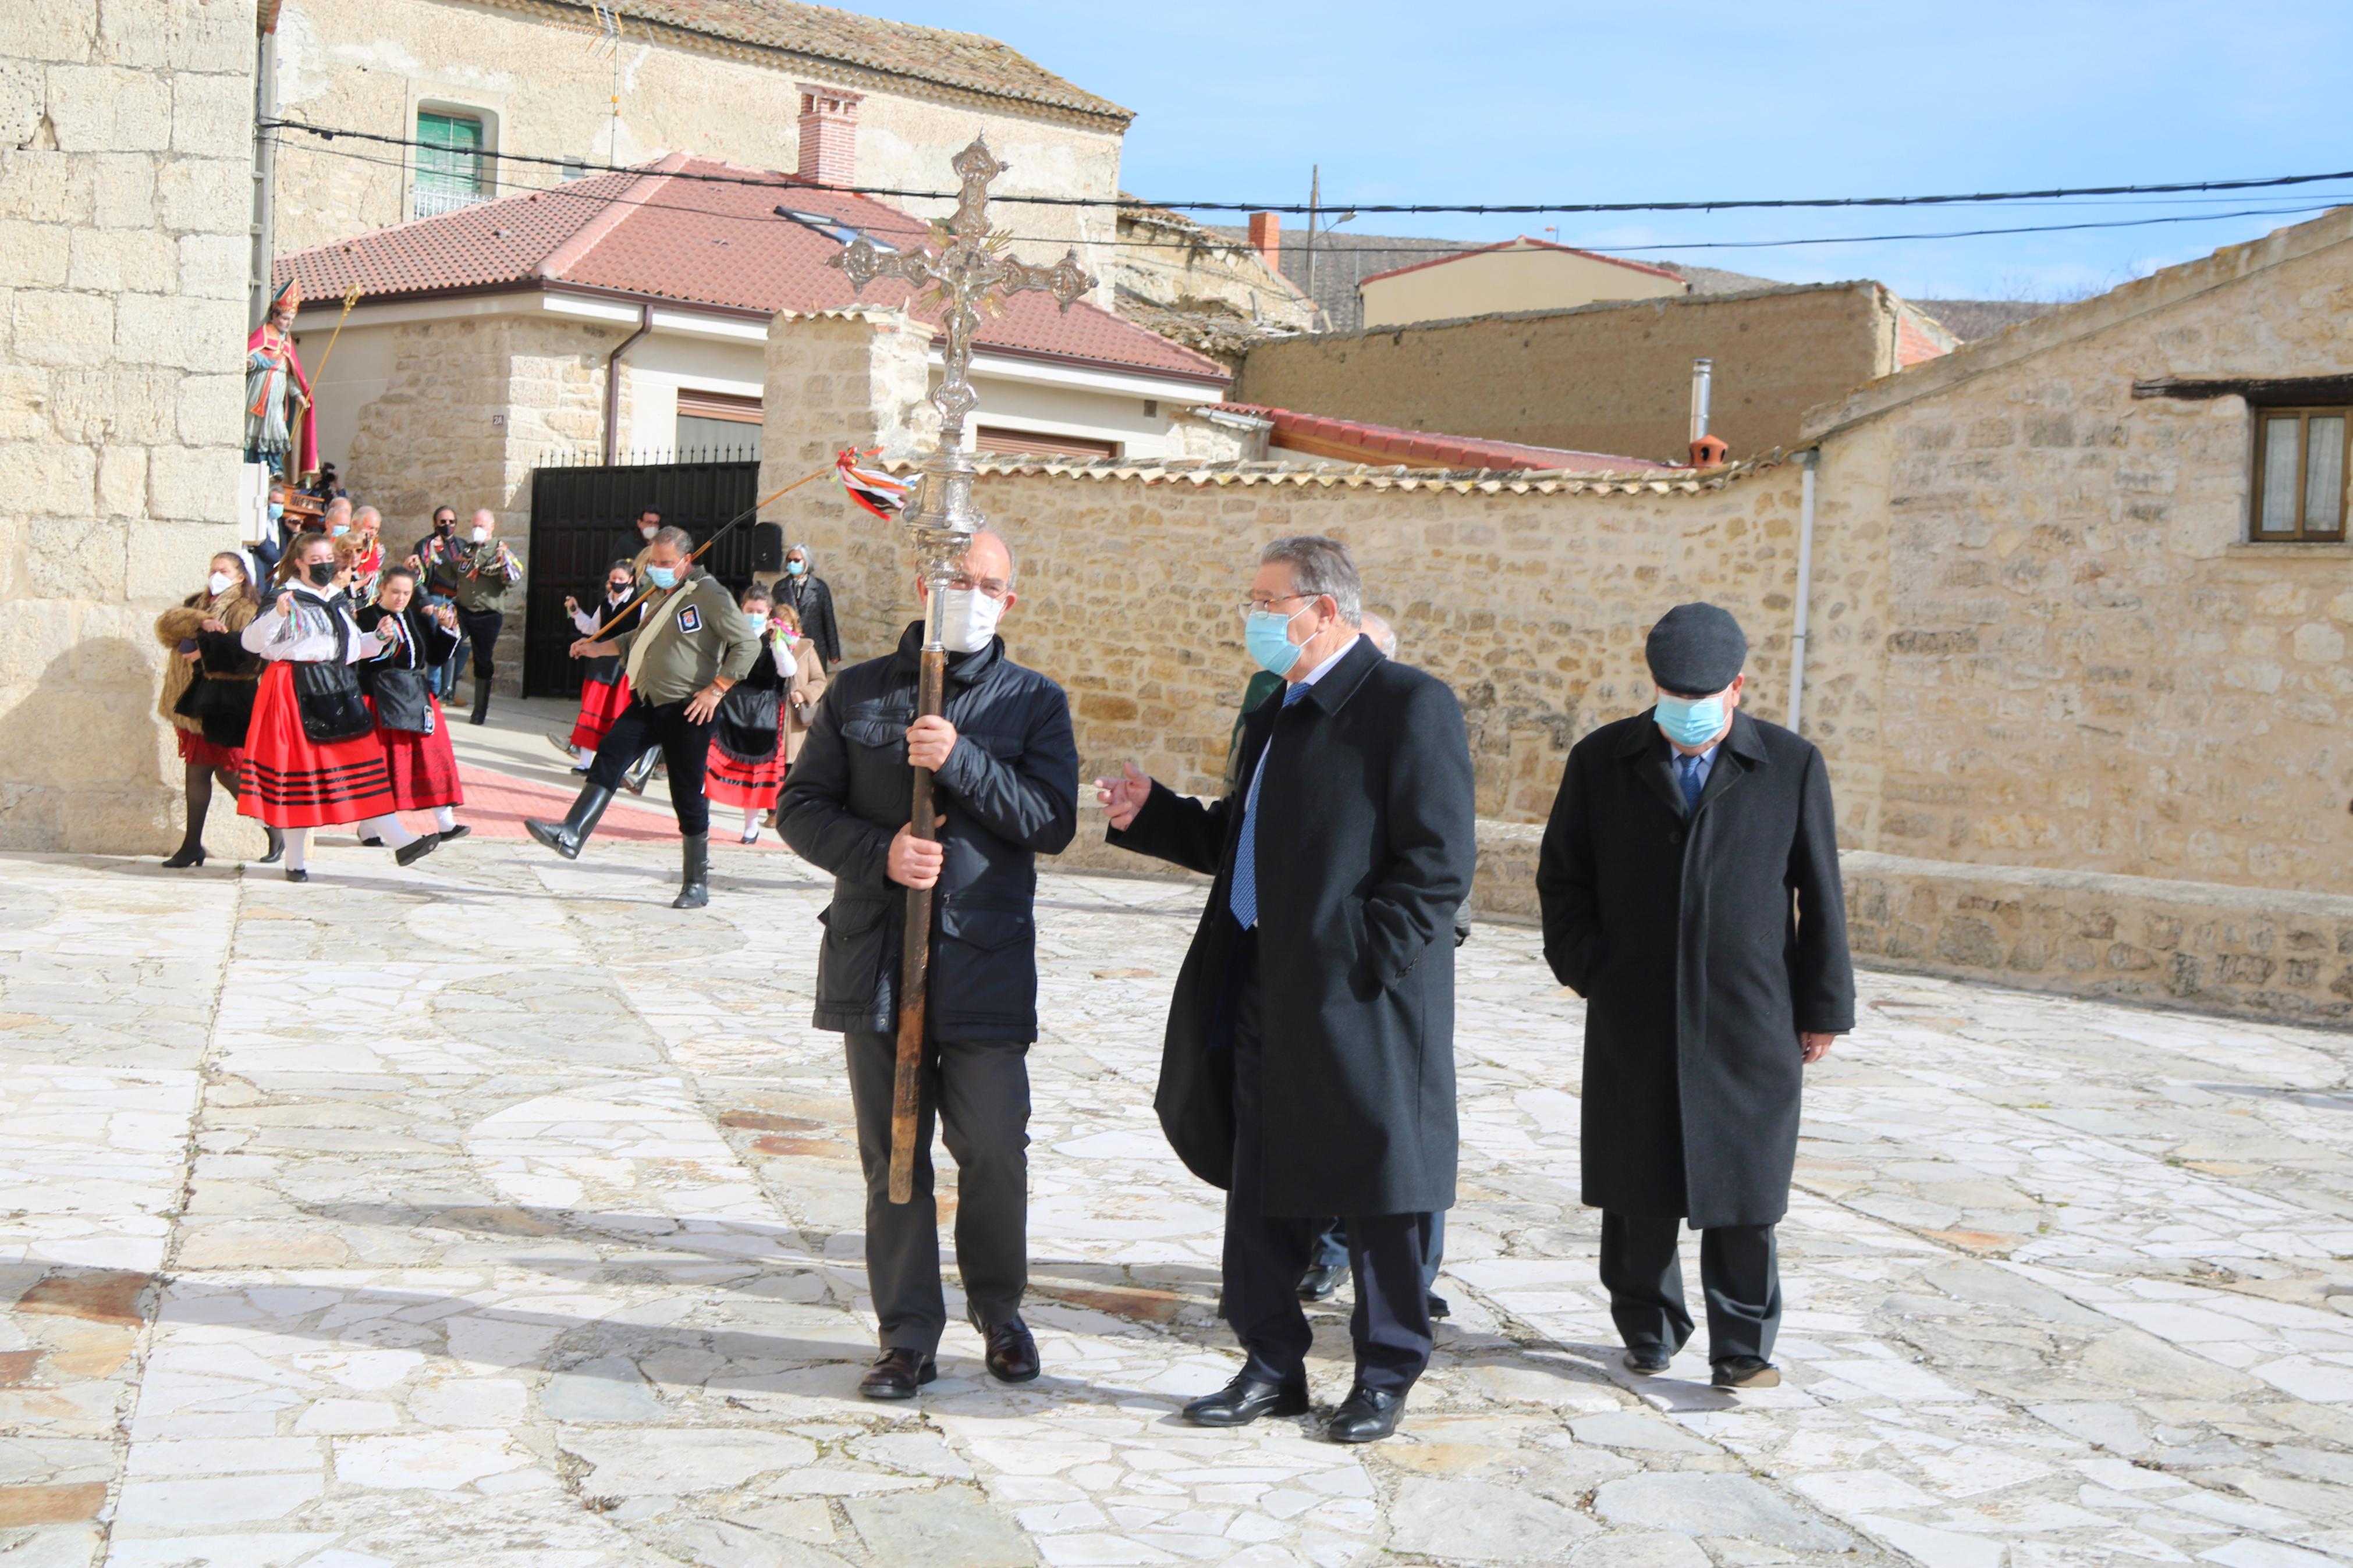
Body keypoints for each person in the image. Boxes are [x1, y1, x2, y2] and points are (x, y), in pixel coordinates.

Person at [1098, 536, 1475, 1445]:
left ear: (1326, 610)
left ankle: (1384, 1373)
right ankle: (1271, 1361)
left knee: (1379, 1188)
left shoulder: (1407, 704)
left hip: (1362, 998)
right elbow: (1247, 837)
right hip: (1265, 985)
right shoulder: (1277, 709)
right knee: (1262, 1183)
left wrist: (1360, 960)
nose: (1254, 615)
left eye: (1270, 599)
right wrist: (1154, 814)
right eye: (1254, 597)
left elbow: (1437, 864)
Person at [777, 530, 1076, 1401]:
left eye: (989, 583)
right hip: (876, 958)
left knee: (991, 1143)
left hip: (984, 964)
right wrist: (883, 851)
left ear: (1009, 600)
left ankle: (999, 1307)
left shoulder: (1034, 702)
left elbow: (1049, 820)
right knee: (895, 1153)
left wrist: (961, 759)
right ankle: (906, 1332)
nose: (972, 593)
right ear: (925, 582)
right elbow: (801, 807)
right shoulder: (860, 690)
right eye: (957, 577)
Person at [1535, 602, 1854, 1392]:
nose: (1687, 704)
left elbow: (1819, 891)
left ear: (1736, 687)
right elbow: (1561, 878)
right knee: (1636, 1182)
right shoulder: (1601, 759)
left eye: (1703, 691)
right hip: (1633, 1008)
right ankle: (1646, 1326)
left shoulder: (1789, 764)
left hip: (1749, 1015)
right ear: (1654, 685)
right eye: (1672, 690)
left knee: (1744, 1186)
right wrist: (1588, 966)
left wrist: (1821, 1008)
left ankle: (1741, 1348)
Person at [523, 527, 756, 908]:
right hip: (647, 700)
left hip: (689, 707)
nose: (659, 569)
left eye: (667, 563)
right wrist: (595, 647)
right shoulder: (663, 593)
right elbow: (636, 639)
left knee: (686, 795)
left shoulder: (710, 594)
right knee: (610, 755)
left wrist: (717, 689)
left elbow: (746, 644)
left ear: (686, 558)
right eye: (655, 562)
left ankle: (696, 884)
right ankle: (571, 832)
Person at [237, 533, 441, 881]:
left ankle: (401, 841)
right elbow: (252, 642)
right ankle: (296, 862)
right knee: (298, 778)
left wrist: (377, 638)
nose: (325, 566)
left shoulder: (338, 597)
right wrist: (278, 616)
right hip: (294, 689)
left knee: (364, 763)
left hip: (337, 685)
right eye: (316, 561)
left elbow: (347, 649)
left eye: (327, 558)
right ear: (299, 563)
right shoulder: (282, 596)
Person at [153, 553, 282, 867]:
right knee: (200, 771)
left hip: (222, 702)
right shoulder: (196, 603)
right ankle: (193, 845)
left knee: (229, 771)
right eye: (213, 569)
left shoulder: (244, 609)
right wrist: (199, 622)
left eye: (224, 570)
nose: (216, 575)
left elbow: (249, 658)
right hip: (193, 701)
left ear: (240, 577)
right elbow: (166, 627)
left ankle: (276, 828)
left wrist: (205, 655)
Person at [357, 567, 470, 843]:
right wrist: (379, 638)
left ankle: (446, 824)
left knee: (435, 756)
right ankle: (370, 827)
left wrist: (446, 630)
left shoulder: (415, 616)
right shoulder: (365, 618)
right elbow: (358, 659)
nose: (401, 598)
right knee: (388, 764)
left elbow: (434, 657)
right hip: (381, 697)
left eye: (407, 593)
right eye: (395, 592)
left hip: (417, 695)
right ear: (382, 588)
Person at [705, 590, 828, 845]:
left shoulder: (776, 639)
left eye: (759, 611)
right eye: (749, 610)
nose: (754, 616)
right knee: (710, 766)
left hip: (763, 709)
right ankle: (701, 820)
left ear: (768, 613)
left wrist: (776, 642)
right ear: (741, 609)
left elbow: (788, 670)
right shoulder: (730, 635)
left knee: (754, 772)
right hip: (730, 704)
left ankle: (751, 828)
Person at [420, 509, 523, 727]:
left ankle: (480, 710)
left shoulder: (500, 551)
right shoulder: (466, 550)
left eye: (482, 526)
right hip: (463, 610)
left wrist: (502, 564)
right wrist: (433, 555)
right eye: (475, 525)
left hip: (488, 615)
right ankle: (438, 694)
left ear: (492, 527)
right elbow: (449, 571)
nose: (477, 529)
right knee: (444, 646)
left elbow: (512, 579)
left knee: (482, 660)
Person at [553, 561, 644, 771]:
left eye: (621, 579)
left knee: (619, 715)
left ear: (630, 580)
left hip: (624, 666)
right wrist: (575, 612)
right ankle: (584, 764)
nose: (617, 582)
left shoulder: (641, 604)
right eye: (614, 579)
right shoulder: (605, 603)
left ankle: (617, 767)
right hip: (601, 664)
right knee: (591, 709)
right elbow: (593, 629)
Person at [410, 506, 463, 696]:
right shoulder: (425, 546)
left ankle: (448, 689)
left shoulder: (462, 545)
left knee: (455, 645)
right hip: (435, 599)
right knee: (437, 645)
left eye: (451, 522)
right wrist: (426, 601)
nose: (447, 525)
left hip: (455, 602)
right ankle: (434, 690)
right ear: (435, 523)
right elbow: (417, 576)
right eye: (443, 522)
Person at [778, 542, 842, 669]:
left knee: (814, 682)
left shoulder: (819, 587)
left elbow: (828, 619)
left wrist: (834, 652)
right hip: (788, 646)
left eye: (796, 560)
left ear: (806, 561)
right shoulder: (780, 587)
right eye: (789, 560)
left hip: (815, 645)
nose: (792, 564)